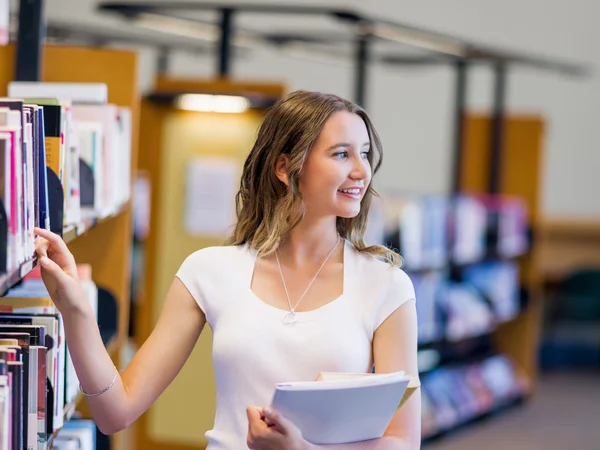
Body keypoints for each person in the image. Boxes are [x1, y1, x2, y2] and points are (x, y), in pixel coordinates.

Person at [34, 90, 421, 450]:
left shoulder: (386, 285)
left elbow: (405, 442)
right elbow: (114, 412)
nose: (361, 171)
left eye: (365, 153)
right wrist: (76, 309)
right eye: (341, 154)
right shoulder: (210, 271)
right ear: (285, 168)